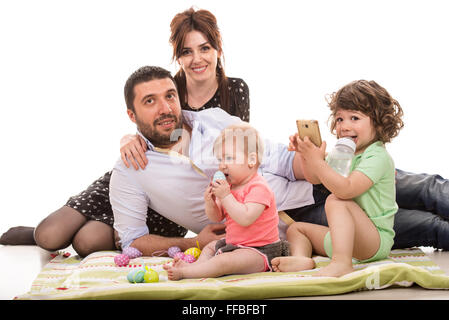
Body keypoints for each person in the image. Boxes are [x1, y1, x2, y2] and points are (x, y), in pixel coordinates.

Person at [0, 8, 250, 257]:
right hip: (138, 166)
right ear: (178, 57)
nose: (197, 59)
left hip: (171, 192)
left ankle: (109, 232)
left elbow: (237, 151)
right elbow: (150, 126)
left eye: (205, 48)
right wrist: (129, 138)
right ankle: (37, 232)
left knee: (88, 241)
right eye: (187, 51)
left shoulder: (235, 90)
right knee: (49, 233)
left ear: (218, 49)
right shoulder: (170, 88)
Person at [272, 80, 403, 277]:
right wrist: (307, 155)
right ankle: (301, 259)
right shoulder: (344, 152)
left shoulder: (377, 156)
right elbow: (315, 178)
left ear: (378, 122)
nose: (344, 126)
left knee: (337, 200)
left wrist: (318, 161)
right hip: (345, 240)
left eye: (354, 118)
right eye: (340, 119)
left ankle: (341, 263)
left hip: (373, 241)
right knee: (297, 229)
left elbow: (346, 189)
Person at [164, 123, 289, 280]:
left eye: (229, 158)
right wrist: (210, 202)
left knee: (224, 261)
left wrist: (225, 196)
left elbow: (245, 218)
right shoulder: (230, 188)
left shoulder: (259, 187)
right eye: (220, 159)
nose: (222, 165)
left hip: (260, 250)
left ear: (251, 160)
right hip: (235, 245)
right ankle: (196, 267)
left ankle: (186, 273)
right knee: (210, 247)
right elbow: (216, 217)